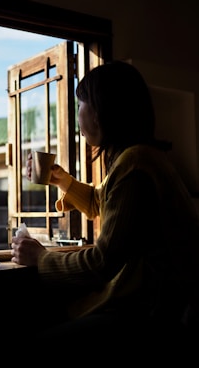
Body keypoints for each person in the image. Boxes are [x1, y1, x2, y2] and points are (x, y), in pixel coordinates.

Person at [11, 61, 199, 358]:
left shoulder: (135, 163)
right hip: (154, 302)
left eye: (81, 105)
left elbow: (101, 263)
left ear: (102, 111)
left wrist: (41, 258)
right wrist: (65, 181)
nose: (79, 117)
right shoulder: (143, 157)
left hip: (150, 311)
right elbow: (105, 202)